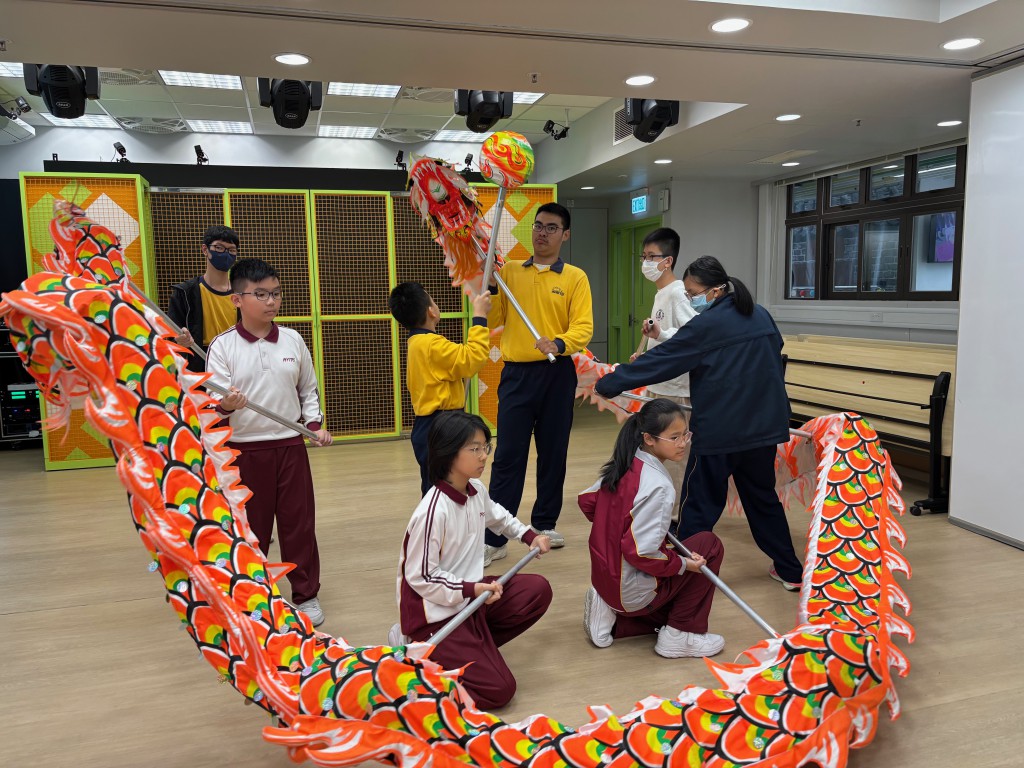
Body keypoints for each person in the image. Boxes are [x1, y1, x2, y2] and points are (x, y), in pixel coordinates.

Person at [595, 255, 804, 591]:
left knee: (699, 504)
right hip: (764, 429)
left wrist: (611, 382)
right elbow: (772, 356)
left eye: (693, 293)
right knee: (762, 500)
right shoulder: (760, 315)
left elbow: (665, 358)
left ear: (716, 291)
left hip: (722, 431)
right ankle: (791, 571)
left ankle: (686, 575)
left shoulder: (708, 325)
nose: (691, 299)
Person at [393, 411, 552, 709]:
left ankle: (474, 647)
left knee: (537, 591)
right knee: (500, 690)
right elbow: (421, 577)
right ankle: (418, 649)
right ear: (449, 452)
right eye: (474, 449)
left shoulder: (476, 490)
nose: (483, 456)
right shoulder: (433, 511)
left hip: (470, 599)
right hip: (435, 616)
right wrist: (471, 589)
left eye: (485, 447)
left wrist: (528, 535)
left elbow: (498, 517)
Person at [206, 257, 334, 627]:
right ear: (237, 300)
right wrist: (226, 405)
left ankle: (306, 594)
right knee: (253, 529)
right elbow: (212, 404)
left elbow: (308, 389)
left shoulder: (293, 339)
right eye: (260, 294)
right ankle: (255, 594)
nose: (271, 301)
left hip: (291, 446)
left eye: (276, 293)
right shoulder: (222, 347)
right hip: (244, 451)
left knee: (298, 525)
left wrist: (314, 425)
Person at [484, 202, 593, 564]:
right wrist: (491, 286)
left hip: (556, 373)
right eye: (538, 226)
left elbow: (583, 327)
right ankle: (495, 536)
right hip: (517, 375)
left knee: (553, 452)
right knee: (508, 456)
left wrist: (559, 343)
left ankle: (545, 524)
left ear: (566, 234)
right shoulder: (509, 272)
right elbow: (495, 319)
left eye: (551, 228)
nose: (542, 233)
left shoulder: (575, 277)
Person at [579, 398, 725, 658]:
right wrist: (683, 564)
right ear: (649, 438)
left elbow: (587, 501)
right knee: (709, 545)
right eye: (674, 437)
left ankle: (613, 618)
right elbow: (642, 552)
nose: (683, 443)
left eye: (685, 434)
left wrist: (615, 526)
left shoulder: (624, 463)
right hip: (630, 591)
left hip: (605, 580)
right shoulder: (659, 485)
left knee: (673, 565)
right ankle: (679, 635)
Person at [388, 281, 491, 495]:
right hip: (441, 425)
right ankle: (437, 518)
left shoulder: (418, 342)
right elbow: (472, 358)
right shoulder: (431, 345)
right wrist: (479, 317)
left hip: (431, 425)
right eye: (433, 301)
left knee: (439, 486)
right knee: (443, 489)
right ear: (431, 311)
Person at [632, 227, 697, 497]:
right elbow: (665, 336)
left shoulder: (677, 292)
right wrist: (646, 354)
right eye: (644, 256)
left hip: (676, 389)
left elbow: (693, 334)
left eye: (651, 256)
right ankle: (657, 505)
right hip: (659, 385)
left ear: (667, 261)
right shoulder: (662, 293)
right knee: (654, 451)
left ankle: (674, 514)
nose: (646, 262)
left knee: (675, 456)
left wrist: (660, 334)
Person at [167, 225, 240, 373]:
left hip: (237, 362)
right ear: (205, 249)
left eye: (231, 250)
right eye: (219, 248)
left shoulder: (244, 292)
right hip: (199, 365)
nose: (225, 253)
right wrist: (178, 339)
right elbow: (170, 336)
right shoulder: (185, 293)